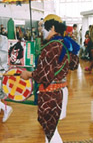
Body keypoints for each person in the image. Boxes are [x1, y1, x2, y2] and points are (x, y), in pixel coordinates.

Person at [20, 14, 79, 143]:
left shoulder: (50, 47)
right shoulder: (67, 43)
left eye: (43, 26)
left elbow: (43, 76)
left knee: (50, 132)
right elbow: (74, 65)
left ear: (52, 27)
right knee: (52, 130)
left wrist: (28, 75)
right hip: (62, 91)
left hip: (50, 95)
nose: (41, 30)